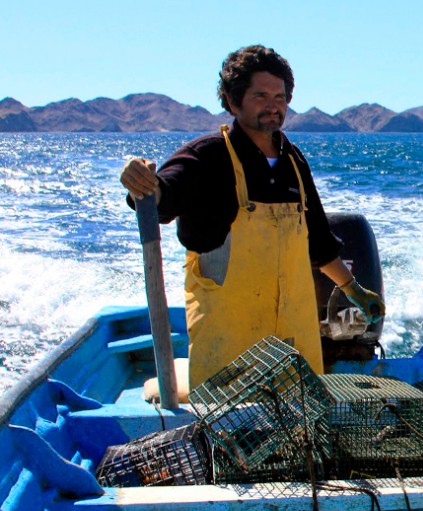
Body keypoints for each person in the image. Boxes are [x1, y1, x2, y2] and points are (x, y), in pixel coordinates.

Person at [120, 45, 384, 391]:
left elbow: (319, 243)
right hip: (229, 338)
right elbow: (161, 197)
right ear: (233, 101)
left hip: (292, 339)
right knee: (229, 419)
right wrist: (142, 183)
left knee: (300, 416)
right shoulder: (206, 157)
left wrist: (354, 289)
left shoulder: (293, 162)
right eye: (261, 95)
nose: (273, 105)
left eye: (280, 97)